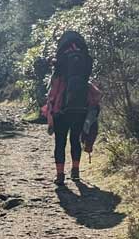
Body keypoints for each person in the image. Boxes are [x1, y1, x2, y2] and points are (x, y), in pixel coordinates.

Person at [41, 31, 102, 186]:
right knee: (75, 139)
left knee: (60, 142)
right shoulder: (85, 60)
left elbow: (53, 90)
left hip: (61, 109)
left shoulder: (60, 61)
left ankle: (60, 175)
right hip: (80, 107)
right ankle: (75, 171)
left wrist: (50, 111)